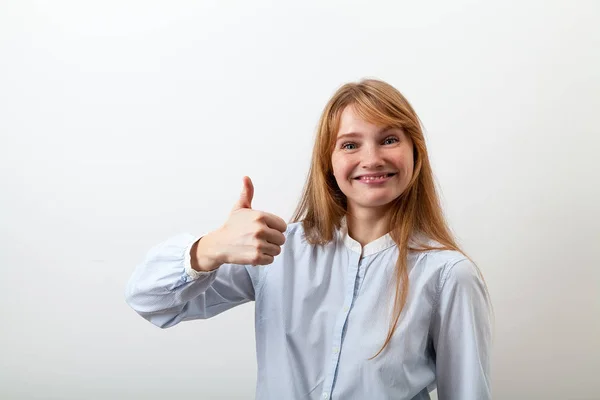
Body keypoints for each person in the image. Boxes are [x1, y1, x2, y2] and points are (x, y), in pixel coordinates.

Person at [125, 78, 492, 399]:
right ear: (328, 161)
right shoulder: (278, 251)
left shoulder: (449, 275)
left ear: (416, 153)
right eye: (350, 145)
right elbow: (148, 300)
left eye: (389, 139)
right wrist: (212, 247)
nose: (372, 158)